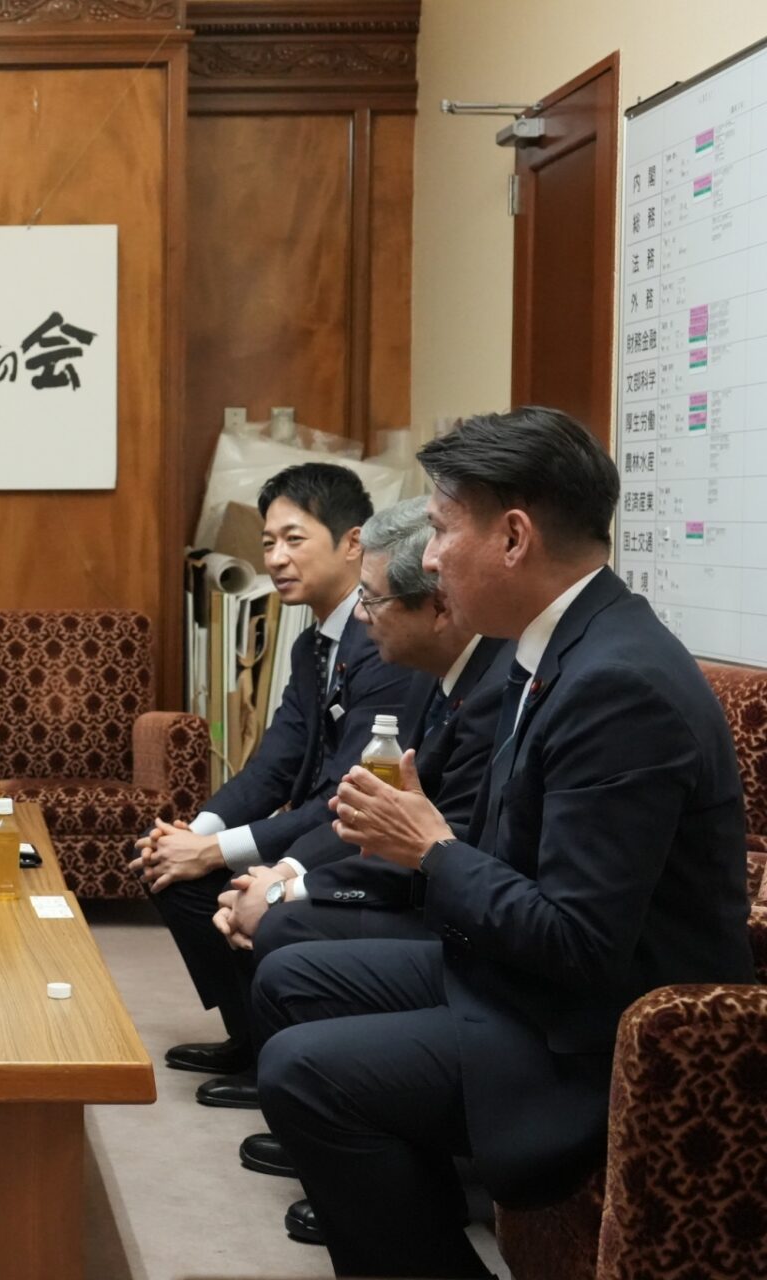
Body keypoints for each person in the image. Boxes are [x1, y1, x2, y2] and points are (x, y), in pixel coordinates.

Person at [252, 407, 754, 1276]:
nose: (431, 558)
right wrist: (419, 839)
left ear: (514, 537)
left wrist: (433, 849)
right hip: (518, 980)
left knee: (304, 1071)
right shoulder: (561, 644)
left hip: (592, 1035)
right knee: (293, 974)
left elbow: (581, 942)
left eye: (445, 529)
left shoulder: (619, 683)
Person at [205, 495, 511, 1180]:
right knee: (236, 897)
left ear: (436, 605)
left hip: (453, 914)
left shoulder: (489, 687)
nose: (363, 617)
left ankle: (344, 1125)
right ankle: (312, 1111)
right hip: (422, 885)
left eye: (372, 600)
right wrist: (281, 874)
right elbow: (353, 800)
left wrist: (286, 888)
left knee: (285, 928)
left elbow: (440, 843)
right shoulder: (434, 675)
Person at [131, 463, 410, 1102]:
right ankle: (252, 1035)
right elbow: (274, 766)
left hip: (351, 844)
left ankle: (276, 1055)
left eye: (293, 539)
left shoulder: (385, 643)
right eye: (268, 543)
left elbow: (346, 799)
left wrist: (219, 852)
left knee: (212, 875)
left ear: (353, 542)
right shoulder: (312, 645)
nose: (276, 558)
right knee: (167, 867)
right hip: (314, 827)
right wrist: (193, 833)